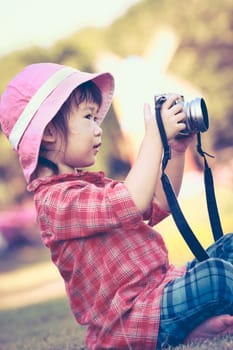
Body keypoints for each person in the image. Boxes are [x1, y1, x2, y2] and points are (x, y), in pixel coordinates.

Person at [0, 62, 233, 350]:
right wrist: (154, 136)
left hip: (161, 290)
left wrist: (176, 150)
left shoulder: (92, 185)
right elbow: (134, 201)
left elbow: (159, 202)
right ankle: (177, 329)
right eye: (88, 117)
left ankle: (189, 330)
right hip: (134, 316)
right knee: (216, 276)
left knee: (229, 247)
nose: (98, 129)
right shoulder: (55, 203)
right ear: (48, 132)